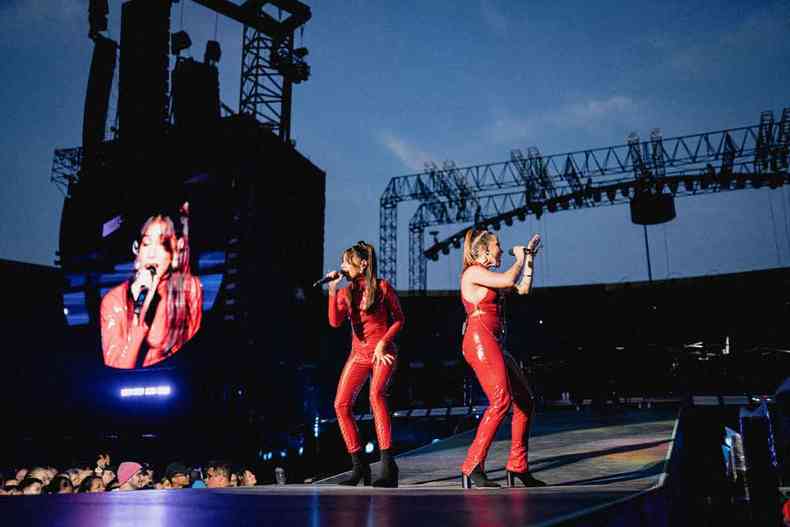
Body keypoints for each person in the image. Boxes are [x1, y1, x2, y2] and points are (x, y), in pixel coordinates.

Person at [459, 228, 547, 489]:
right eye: (498, 245)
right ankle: (472, 465)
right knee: (500, 400)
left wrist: (528, 258)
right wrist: (519, 258)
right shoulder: (473, 272)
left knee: (525, 402)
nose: (501, 249)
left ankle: (517, 467)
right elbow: (510, 280)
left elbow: (522, 289)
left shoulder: (489, 275)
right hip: (479, 340)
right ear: (485, 249)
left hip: (493, 342)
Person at [325, 241, 405, 487]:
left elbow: (399, 319)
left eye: (347, 261)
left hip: (383, 352)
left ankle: (388, 465)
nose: (342, 266)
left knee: (376, 395)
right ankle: (359, 466)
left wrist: (383, 342)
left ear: (363, 263)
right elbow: (335, 322)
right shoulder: (345, 291)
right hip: (358, 354)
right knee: (340, 404)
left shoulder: (382, 287)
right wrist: (332, 291)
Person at [100, 203, 202, 368]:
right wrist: (139, 313)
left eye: (162, 244)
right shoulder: (114, 301)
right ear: (137, 249)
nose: (152, 253)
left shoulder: (190, 289)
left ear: (175, 251)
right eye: (146, 244)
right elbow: (118, 367)